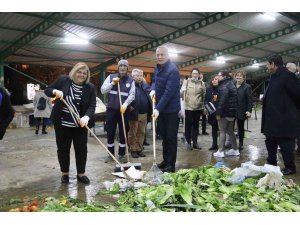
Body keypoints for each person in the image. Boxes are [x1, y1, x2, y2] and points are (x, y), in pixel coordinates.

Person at [44, 62, 96, 184]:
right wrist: (55, 91)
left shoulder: (90, 87)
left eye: (84, 73)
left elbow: (92, 104)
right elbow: (47, 90)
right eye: (79, 72)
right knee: (63, 149)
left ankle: (81, 174)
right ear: (74, 71)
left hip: (80, 125)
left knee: (81, 150)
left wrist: (87, 117)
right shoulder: (63, 80)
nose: (81, 75)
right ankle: (65, 174)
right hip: (62, 124)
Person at [262, 55, 300, 175]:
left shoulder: (287, 75)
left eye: (268, 64)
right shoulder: (274, 77)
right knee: (270, 141)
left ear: (273, 64)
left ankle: (290, 167)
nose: (267, 67)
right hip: (272, 118)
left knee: (285, 144)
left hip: (284, 118)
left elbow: (297, 94)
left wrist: (289, 109)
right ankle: (271, 163)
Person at [151, 46, 180, 173]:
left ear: (167, 55)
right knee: (163, 136)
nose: (159, 57)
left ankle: (171, 164)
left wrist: (157, 109)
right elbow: (154, 81)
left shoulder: (172, 70)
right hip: (161, 109)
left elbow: (168, 92)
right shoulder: (157, 68)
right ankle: (165, 160)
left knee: (171, 137)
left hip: (171, 110)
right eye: (158, 54)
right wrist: (152, 89)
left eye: (162, 54)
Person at [100, 59, 135, 163]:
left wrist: (125, 104)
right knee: (110, 132)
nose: (123, 67)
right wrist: (112, 83)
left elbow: (132, 95)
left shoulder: (130, 80)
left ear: (127, 68)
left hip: (124, 111)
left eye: (125, 66)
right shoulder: (111, 77)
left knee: (123, 132)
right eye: (121, 66)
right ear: (118, 68)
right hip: (111, 110)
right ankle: (110, 154)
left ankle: (122, 154)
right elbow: (103, 90)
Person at [213, 71, 239, 158]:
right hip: (232, 112)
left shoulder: (224, 86)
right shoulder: (231, 84)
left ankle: (221, 151)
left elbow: (222, 101)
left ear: (223, 77)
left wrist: (218, 113)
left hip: (225, 112)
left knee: (222, 131)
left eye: (219, 75)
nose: (217, 77)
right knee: (230, 131)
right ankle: (235, 149)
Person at [128, 69, 151, 158]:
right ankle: (133, 149)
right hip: (134, 113)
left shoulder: (145, 86)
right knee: (133, 132)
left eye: (141, 75)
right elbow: (126, 97)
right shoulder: (130, 85)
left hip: (144, 113)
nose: (139, 77)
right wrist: (129, 106)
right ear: (133, 76)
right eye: (137, 75)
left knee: (141, 132)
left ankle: (139, 148)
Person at [180, 68, 205, 150]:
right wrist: (182, 89)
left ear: (198, 75)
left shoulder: (202, 83)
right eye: (193, 73)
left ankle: (195, 143)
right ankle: (188, 142)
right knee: (188, 126)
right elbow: (181, 95)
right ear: (191, 74)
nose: (195, 75)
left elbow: (203, 96)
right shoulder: (186, 82)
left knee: (196, 126)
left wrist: (203, 106)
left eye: (196, 73)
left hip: (198, 108)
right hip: (188, 108)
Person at [234, 70, 252, 150]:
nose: (238, 77)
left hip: (242, 110)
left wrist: (248, 110)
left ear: (244, 77)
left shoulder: (247, 87)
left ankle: (241, 143)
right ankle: (231, 142)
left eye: (240, 76)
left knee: (240, 128)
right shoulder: (232, 85)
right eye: (237, 75)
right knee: (230, 128)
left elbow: (249, 100)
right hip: (232, 110)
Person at [204, 75, 219, 150]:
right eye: (213, 79)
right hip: (212, 112)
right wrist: (209, 108)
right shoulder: (208, 89)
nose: (214, 81)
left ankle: (223, 145)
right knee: (214, 129)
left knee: (222, 130)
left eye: (216, 79)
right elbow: (205, 100)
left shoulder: (221, 89)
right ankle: (214, 144)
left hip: (220, 112)